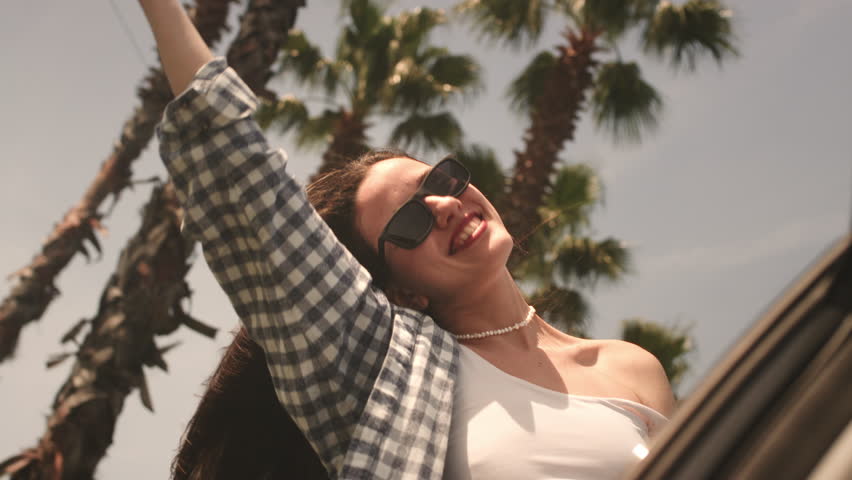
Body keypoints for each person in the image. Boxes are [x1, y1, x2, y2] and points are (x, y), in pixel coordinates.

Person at [139, 1, 676, 479]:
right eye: (409, 223)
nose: (443, 207)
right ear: (399, 293)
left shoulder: (631, 367)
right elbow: (249, 191)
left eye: (440, 181)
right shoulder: (382, 374)